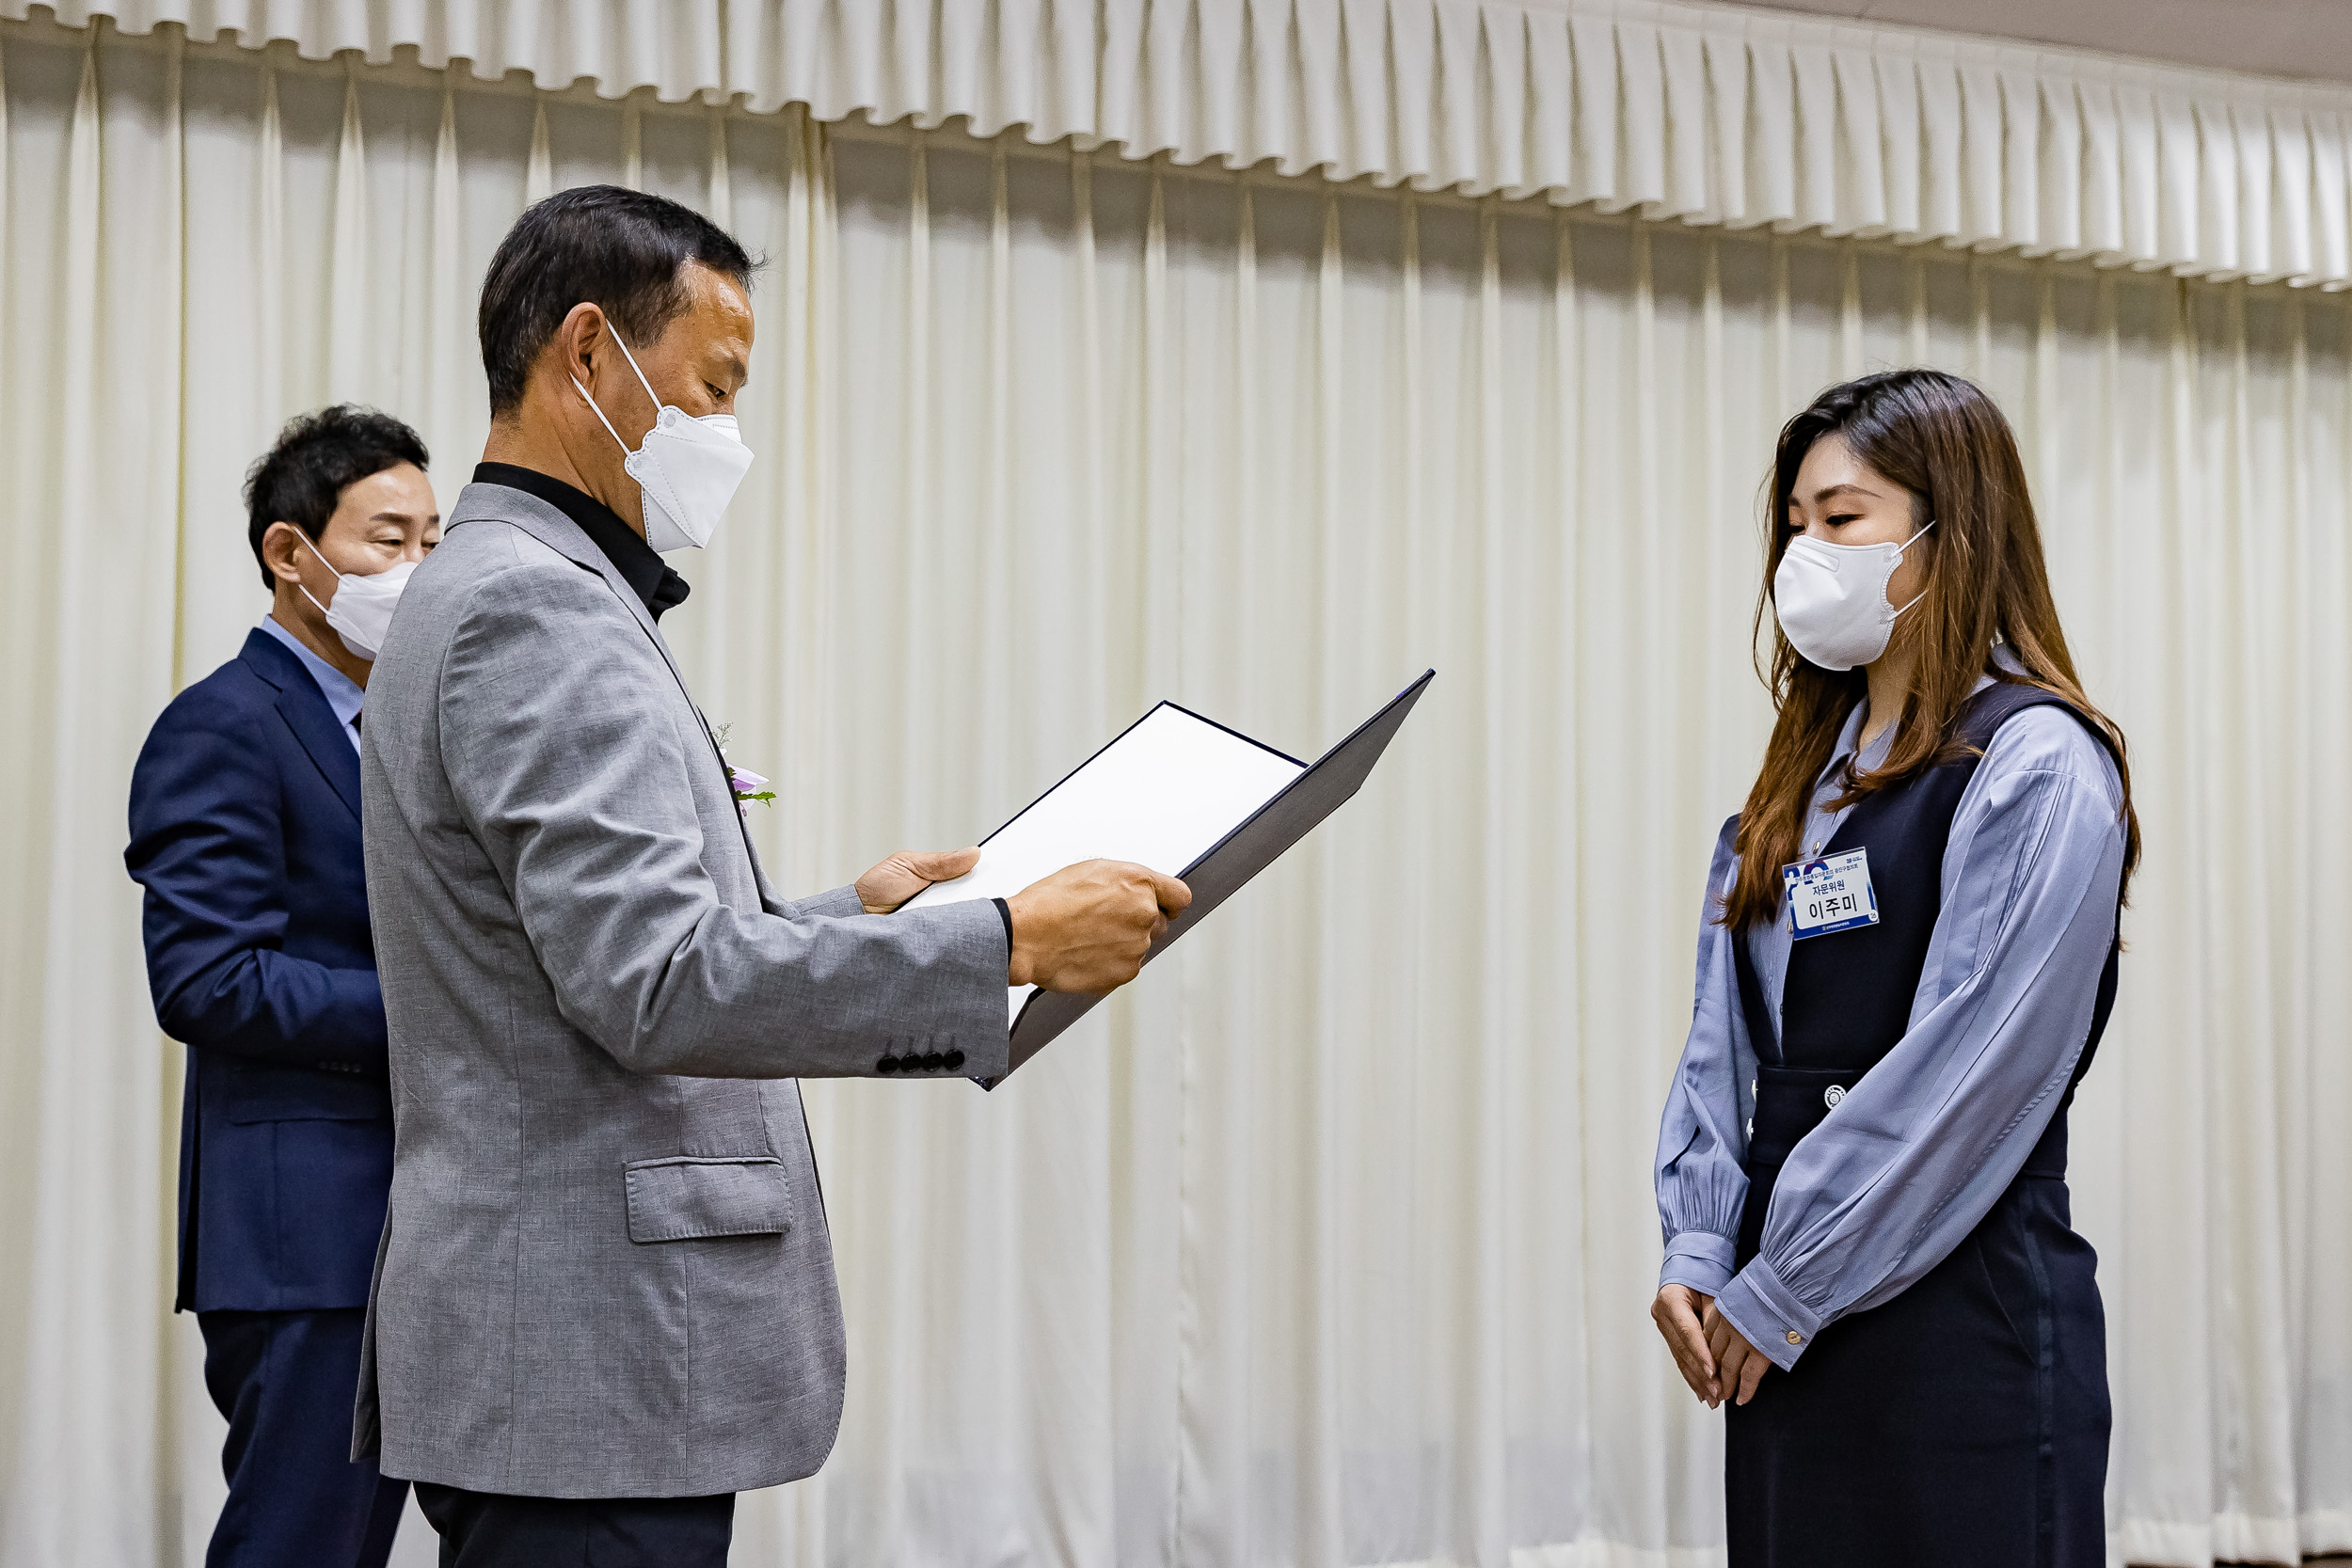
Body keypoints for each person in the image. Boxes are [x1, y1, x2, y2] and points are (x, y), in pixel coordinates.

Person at [351, 184, 1189, 1566]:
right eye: (715, 387)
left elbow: (580, 947)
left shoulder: (512, 582)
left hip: (564, 1358)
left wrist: (840, 918)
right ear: (588, 355)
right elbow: (658, 985)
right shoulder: (532, 607)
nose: (728, 434)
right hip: (590, 1359)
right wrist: (1004, 944)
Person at [1648, 369, 2137, 1566]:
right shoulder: (1790, 794)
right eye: (1794, 523)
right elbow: (1726, 1049)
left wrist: (1786, 1279)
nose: (1803, 552)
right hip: (1783, 1321)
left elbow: (1964, 1079)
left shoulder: (2035, 766)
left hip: (1954, 1333)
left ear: (1945, 532)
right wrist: (1701, 1245)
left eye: (1842, 518)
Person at [125, 406, 441, 1568]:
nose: (416, 570)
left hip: (420, 1214)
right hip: (304, 1232)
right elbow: (208, 979)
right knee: (299, 1544)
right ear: (287, 552)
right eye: (384, 540)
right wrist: (438, 1014)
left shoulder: (404, 729)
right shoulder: (221, 723)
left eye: (433, 541)